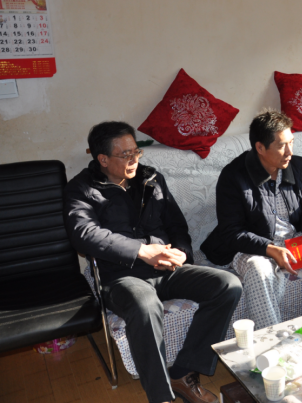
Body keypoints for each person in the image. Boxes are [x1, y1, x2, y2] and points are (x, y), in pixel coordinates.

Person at [64, 121, 242, 403]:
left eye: (136, 151)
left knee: (228, 285)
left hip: (166, 268)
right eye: (125, 154)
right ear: (103, 159)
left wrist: (181, 253)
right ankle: (161, 397)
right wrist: (142, 251)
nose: (134, 159)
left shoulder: (151, 178)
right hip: (121, 277)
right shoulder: (81, 189)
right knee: (145, 305)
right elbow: (84, 235)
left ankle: (183, 373)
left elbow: (176, 224)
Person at [201, 110, 302, 329]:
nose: (290, 151)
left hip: (292, 244)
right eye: (282, 145)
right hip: (252, 249)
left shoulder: (298, 166)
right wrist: (270, 249)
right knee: (259, 269)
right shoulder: (233, 176)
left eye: (291, 142)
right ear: (260, 148)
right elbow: (231, 232)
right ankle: (270, 337)